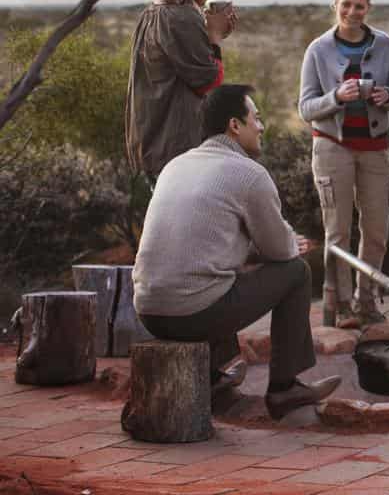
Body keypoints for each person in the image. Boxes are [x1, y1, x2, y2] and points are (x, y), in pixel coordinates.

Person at [133, 84, 341, 420]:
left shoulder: (175, 165)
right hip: (191, 313)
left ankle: (214, 378)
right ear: (234, 125)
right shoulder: (248, 173)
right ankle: (285, 388)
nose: (261, 127)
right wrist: (291, 244)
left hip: (148, 311)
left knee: (218, 276)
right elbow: (280, 252)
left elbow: (201, 243)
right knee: (296, 273)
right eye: (255, 119)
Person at [299, 0, 389, 329]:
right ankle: (340, 305)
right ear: (336, 5)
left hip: (375, 149)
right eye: (346, 4)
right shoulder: (318, 49)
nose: (352, 12)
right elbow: (305, 108)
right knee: (338, 232)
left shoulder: (385, 45)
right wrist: (336, 99)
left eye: (359, 6)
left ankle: (367, 300)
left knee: (376, 230)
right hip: (332, 148)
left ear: (368, 9)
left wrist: (386, 97)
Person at [125, 0, 237, 179]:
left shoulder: (153, 13)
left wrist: (209, 35)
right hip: (177, 150)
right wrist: (215, 37)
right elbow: (208, 81)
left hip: (153, 146)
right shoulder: (181, 18)